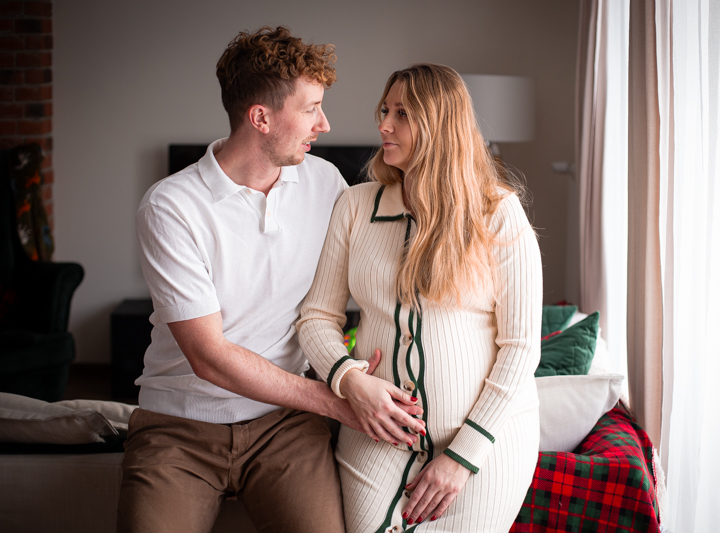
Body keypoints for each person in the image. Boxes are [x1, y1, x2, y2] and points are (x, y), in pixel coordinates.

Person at [117, 26, 423, 533]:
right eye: (311, 109)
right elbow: (208, 356)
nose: (324, 124)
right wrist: (338, 401)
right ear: (260, 118)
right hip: (180, 425)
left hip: (285, 425)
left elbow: (385, 264)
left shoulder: (325, 182)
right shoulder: (171, 206)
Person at [298, 64, 542, 533]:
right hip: (376, 433)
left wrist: (463, 457)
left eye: (403, 114)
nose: (384, 125)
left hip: (485, 442)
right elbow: (316, 317)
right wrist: (349, 379)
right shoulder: (355, 206)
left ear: (439, 124)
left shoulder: (498, 212)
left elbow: (520, 348)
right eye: (385, 111)